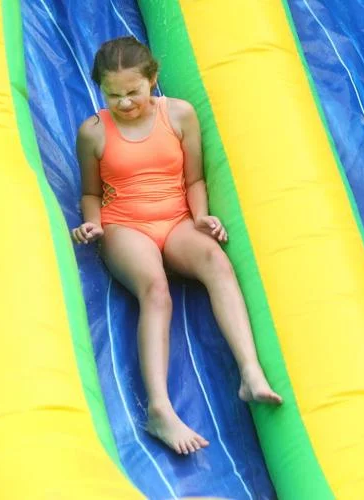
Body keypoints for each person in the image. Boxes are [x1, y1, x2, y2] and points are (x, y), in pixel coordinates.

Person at [71, 36, 282, 455]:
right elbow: (91, 193)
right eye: (113, 95)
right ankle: (159, 409)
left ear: (153, 79)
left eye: (133, 91)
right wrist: (92, 224)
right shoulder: (93, 132)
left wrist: (200, 216)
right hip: (125, 225)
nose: (124, 103)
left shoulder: (179, 114)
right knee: (155, 289)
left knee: (216, 261)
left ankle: (250, 371)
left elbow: (194, 179)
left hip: (176, 219)